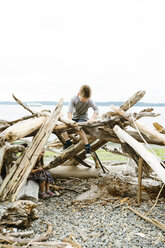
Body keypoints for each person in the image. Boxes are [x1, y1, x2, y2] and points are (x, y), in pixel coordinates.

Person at [62, 84, 99, 157]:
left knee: (78, 129)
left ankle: (87, 146)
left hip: (83, 118)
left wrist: (92, 119)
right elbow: (69, 111)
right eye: (83, 99)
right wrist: (70, 121)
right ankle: (68, 142)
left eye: (86, 100)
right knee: (62, 129)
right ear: (79, 94)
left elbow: (96, 109)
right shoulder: (73, 99)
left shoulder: (89, 101)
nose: (85, 101)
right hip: (74, 118)